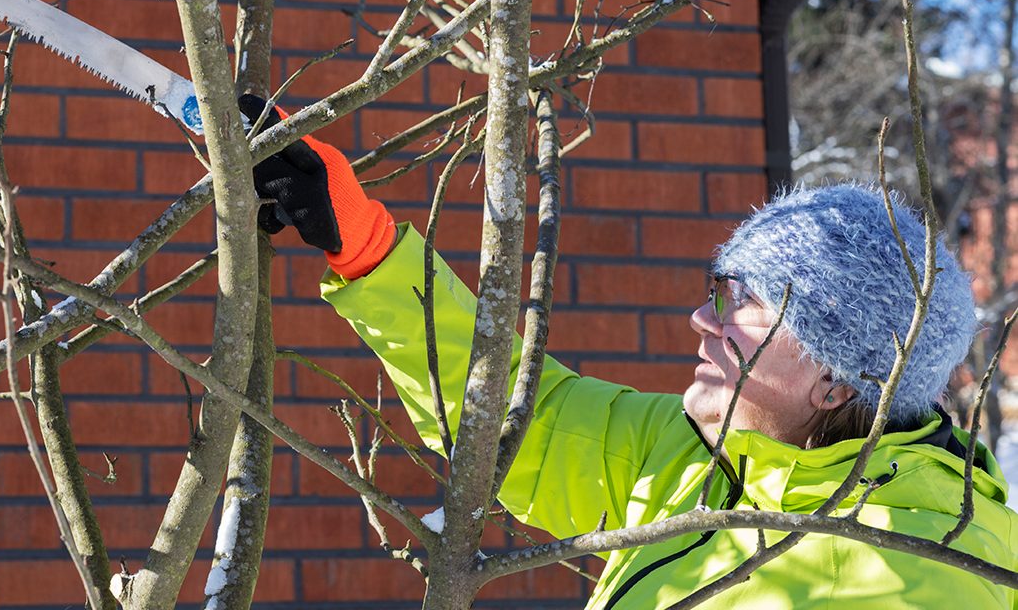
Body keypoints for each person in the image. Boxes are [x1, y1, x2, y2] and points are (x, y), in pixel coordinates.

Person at [243, 96, 1018, 609]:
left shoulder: (929, 573)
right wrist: (368, 250)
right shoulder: (696, 454)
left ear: (833, 380)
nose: (700, 321)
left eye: (743, 308)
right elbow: (523, 422)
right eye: (723, 291)